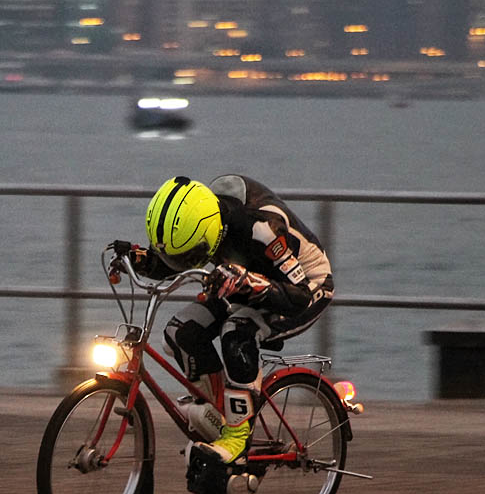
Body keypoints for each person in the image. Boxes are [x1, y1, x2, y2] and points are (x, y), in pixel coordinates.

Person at [133, 174, 334, 466]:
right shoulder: (204, 217)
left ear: (212, 234)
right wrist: (143, 260)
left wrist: (249, 282)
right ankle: (217, 415)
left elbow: (299, 296)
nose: (190, 262)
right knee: (182, 332)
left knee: (237, 332)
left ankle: (238, 438)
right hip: (242, 277)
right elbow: (180, 259)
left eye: (195, 254)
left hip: (305, 287)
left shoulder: (262, 230)